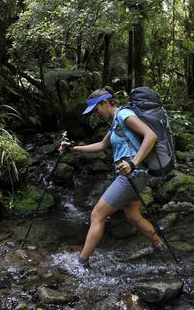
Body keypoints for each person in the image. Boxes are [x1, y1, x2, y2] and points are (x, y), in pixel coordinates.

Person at [59, 87, 166, 268]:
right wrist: (73, 148)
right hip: (133, 176)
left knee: (97, 215)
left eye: (96, 109)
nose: (96, 114)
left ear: (106, 103)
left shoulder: (124, 115)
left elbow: (151, 135)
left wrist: (133, 163)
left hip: (132, 175)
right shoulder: (116, 121)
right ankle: (159, 246)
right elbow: (102, 145)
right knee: (133, 216)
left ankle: (80, 263)